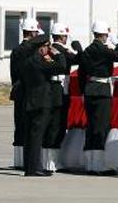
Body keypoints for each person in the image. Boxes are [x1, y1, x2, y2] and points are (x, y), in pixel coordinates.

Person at [78, 21, 118, 175]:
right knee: (101, 126)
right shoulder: (104, 50)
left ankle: (90, 162)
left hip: (89, 89)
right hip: (102, 90)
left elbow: (82, 73)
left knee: (91, 125)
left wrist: (83, 91)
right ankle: (99, 164)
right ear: (104, 35)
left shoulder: (88, 50)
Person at [21, 34, 66, 176]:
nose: (48, 49)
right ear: (41, 48)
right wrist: (58, 54)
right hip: (42, 102)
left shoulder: (27, 61)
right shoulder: (39, 61)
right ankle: (34, 169)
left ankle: (29, 167)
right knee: (37, 136)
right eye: (47, 47)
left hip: (29, 101)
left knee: (29, 136)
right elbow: (61, 67)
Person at [41, 23, 82, 172]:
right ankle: (52, 162)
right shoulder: (62, 50)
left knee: (50, 125)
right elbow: (79, 59)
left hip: (51, 88)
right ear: (63, 37)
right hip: (60, 89)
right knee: (57, 125)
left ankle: (46, 160)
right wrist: (79, 48)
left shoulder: (49, 49)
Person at [9, 18, 41, 170]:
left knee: (19, 126)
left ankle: (18, 160)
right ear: (33, 32)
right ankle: (27, 162)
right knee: (30, 127)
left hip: (18, 90)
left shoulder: (16, 50)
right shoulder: (31, 50)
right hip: (29, 91)